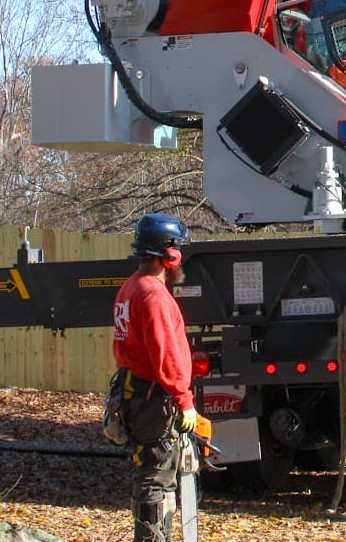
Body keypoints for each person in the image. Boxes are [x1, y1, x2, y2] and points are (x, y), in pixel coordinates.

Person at [112, 213, 198, 542]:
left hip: (138, 392)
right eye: (179, 250)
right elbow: (166, 354)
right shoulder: (153, 296)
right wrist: (184, 401)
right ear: (169, 255)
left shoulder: (131, 288)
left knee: (152, 472)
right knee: (156, 477)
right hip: (153, 399)